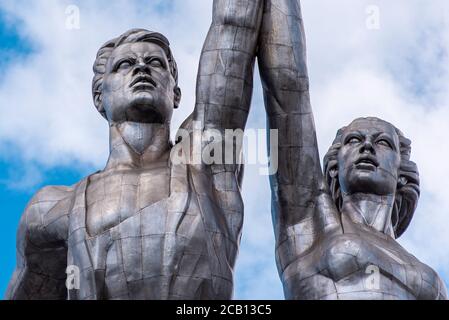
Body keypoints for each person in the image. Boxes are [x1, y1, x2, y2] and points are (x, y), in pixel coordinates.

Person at [6, 0, 264, 300]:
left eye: (156, 63)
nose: (142, 67)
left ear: (176, 93)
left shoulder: (206, 166)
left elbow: (234, 25)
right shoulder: (49, 210)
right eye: (124, 65)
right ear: (99, 97)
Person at [259, 0, 448, 299]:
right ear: (335, 166)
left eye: (383, 142)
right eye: (354, 140)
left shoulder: (428, 276)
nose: (368, 147)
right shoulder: (312, 225)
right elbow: (288, 87)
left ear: (401, 172)